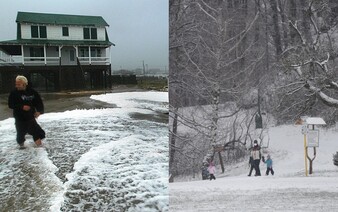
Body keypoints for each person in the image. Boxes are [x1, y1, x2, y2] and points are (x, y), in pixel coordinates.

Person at [8, 75, 45, 148]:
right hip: (20, 118)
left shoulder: (32, 92)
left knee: (37, 133)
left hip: (30, 117)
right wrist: (22, 107)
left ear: (24, 84)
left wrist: (39, 111)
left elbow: (38, 102)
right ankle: (22, 148)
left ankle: (40, 149)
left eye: (19, 84)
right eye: (16, 84)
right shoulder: (14, 93)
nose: (17, 86)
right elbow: (10, 105)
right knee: (20, 136)